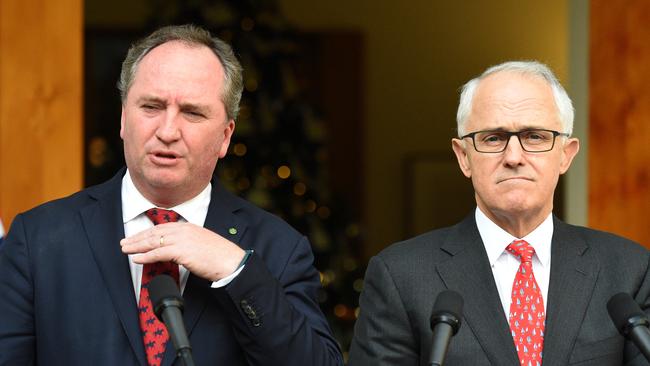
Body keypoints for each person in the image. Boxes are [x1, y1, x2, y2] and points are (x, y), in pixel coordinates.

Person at [0, 24, 342, 366]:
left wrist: (235, 271)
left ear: (225, 136)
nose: (167, 131)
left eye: (192, 113)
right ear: (123, 119)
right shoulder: (38, 239)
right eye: (151, 106)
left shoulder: (279, 249)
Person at [348, 61, 650, 365]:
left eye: (535, 136)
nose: (514, 157)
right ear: (464, 157)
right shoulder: (400, 276)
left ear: (565, 155)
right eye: (493, 138)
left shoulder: (629, 270)